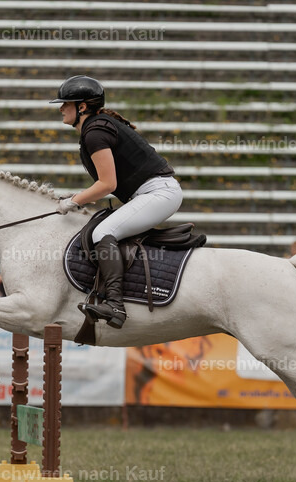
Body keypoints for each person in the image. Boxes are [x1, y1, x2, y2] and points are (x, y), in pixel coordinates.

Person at [51, 75, 182, 329]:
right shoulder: (96, 128)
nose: (60, 108)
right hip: (153, 192)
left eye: (66, 103)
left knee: (103, 232)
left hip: (158, 193)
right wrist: (77, 197)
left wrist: (73, 201)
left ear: (82, 107)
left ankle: (115, 305)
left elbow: (107, 185)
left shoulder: (94, 133)